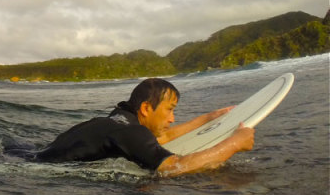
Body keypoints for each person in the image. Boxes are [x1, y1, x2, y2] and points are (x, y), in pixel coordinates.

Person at [34, 77, 255, 176]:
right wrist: (236, 143)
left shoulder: (118, 119)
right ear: (147, 108)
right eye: (170, 110)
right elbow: (175, 168)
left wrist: (208, 118)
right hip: (37, 172)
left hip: (34, 158)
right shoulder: (131, 131)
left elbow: (160, 139)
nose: (172, 118)